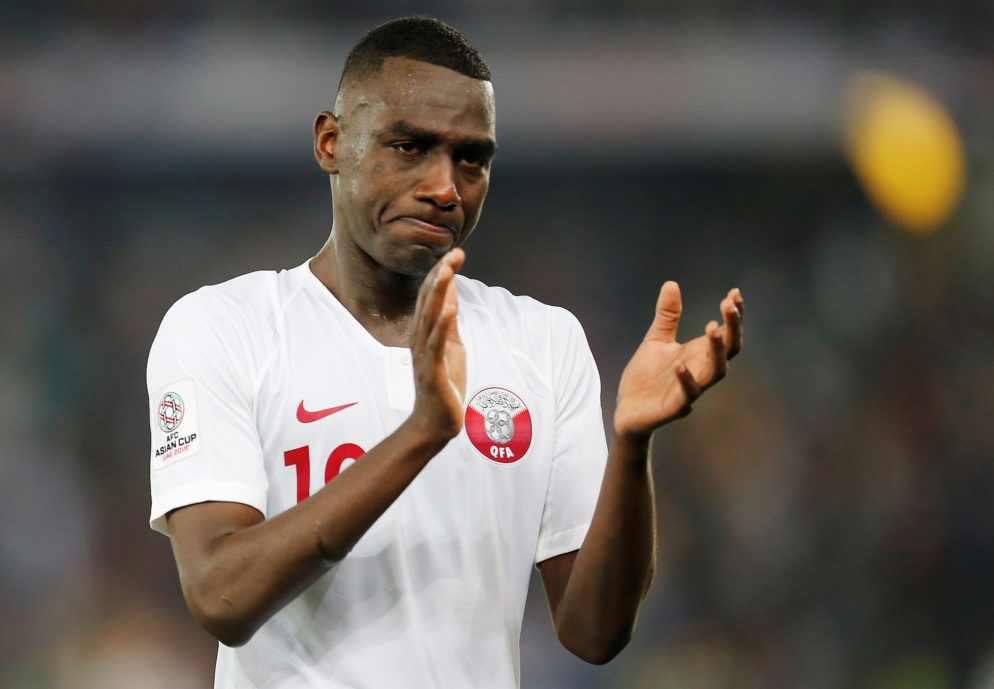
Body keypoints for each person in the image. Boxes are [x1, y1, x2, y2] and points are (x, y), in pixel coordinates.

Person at [146, 16, 743, 689]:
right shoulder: (225, 326)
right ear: (331, 142)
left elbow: (593, 631)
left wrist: (633, 447)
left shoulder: (542, 342)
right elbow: (222, 595)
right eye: (409, 146)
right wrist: (422, 432)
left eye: (472, 159)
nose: (444, 186)